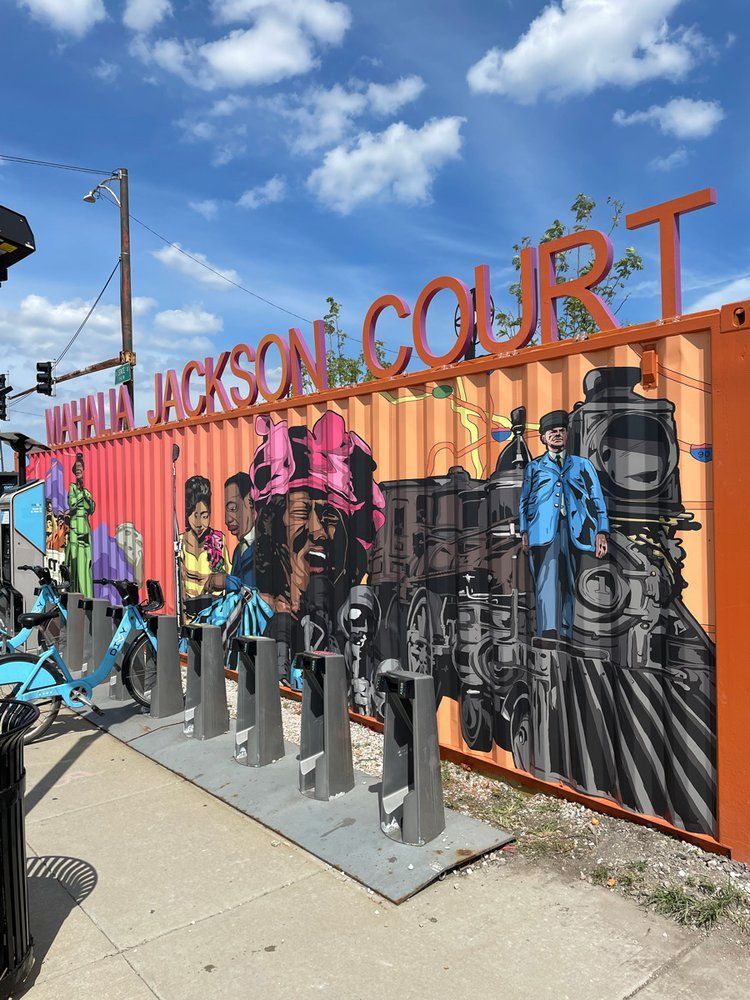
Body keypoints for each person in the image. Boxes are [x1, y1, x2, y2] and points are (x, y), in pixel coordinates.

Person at [519, 409, 608, 639]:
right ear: (543, 438)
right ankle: (548, 632)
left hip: (576, 531)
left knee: (570, 580)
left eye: (561, 431)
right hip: (544, 531)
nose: (557, 435)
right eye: (552, 432)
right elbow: (524, 503)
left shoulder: (583, 465)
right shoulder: (534, 468)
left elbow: (597, 499)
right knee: (545, 581)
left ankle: (567, 632)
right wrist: (524, 531)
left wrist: (602, 531)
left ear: (567, 435)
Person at [178, 475, 230, 619]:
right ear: (187, 514)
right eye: (195, 516)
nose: (200, 523)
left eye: (204, 516)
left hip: (215, 617)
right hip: (188, 618)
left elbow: (228, 577)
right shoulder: (180, 544)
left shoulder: (218, 541)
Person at [65, 452, 95, 598]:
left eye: (80, 467)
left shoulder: (86, 491)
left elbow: (91, 508)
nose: (78, 470)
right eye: (76, 468)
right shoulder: (72, 488)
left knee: (86, 562)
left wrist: (86, 498)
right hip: (75, 529)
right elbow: (71, 504)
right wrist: (80, 496)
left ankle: (87, 594)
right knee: (75, 562)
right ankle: (74, 594)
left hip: (85, 528)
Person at [223, 472, 255, 591]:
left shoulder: (268, 546)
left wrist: (227, 581)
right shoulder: (238, 551)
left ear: (250, 501)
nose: (227, 520)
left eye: (233, 508)